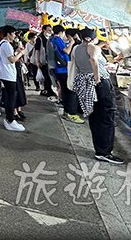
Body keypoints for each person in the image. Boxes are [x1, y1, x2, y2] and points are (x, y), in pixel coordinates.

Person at [73, 28, 124, 164]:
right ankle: (105, 152)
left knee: (95, 116)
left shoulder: (77, 48)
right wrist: (97, 78)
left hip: (86, 83)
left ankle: (100, 149)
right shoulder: (92, 47)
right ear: (93, 38)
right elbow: (93, 60)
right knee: (107, 115)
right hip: (99, 84)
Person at [49, 26, 84, 124]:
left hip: (58, 69)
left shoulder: (51, 39)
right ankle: (71, 113)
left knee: (65, 90)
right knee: (71, 90)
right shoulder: (58, 39)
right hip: (64, 69)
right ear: (62, 32)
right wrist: (72, 42)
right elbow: (67, 51)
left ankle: (66, 112)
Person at [0, 25, 28, 132]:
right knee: (10, 98)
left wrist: (16, 52)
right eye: (13, 33)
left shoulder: (2, 44)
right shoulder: (6, 45)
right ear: (8, 34)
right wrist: (21, 53)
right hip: (8, 75)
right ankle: (10, 120)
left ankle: (9, 119)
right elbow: (12, 60)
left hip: (4, 74)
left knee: (8, 97)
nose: (15, 35)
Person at [35, 25, 56, 98]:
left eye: (51, 30)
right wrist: (37, 61)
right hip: (43, 60)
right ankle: (48, 91)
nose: (50, 32)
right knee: (46, 76)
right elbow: (37, 50)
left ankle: (48, 90)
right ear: (44, 30)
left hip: (50, 60)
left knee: (49, 76)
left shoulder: (50, 38)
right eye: (48, 30)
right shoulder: (40, 39)